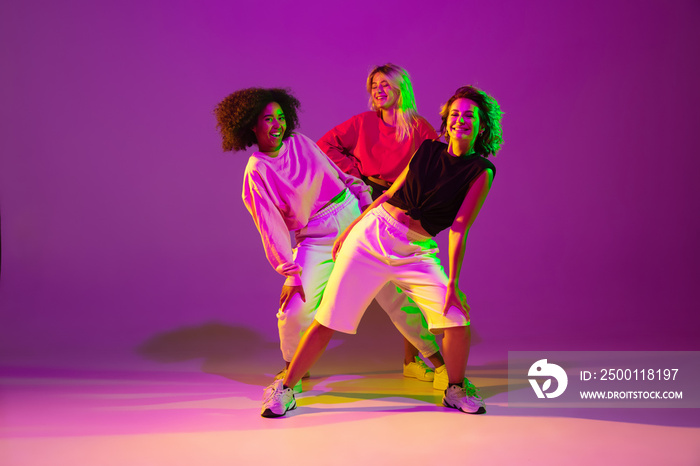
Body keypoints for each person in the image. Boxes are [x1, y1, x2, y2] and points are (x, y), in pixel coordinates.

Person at [261, 85, 503, 417]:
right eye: (455, 114)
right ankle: (285, 388)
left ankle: (455, 389)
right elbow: (388, 194)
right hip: (373, 236)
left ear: (481, 125)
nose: (460, 120)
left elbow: (460, 228)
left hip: (416, 252)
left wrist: (453, 284)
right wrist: (350, 229)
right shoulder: (428, 148)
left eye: (469, 116)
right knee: (328, 319)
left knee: (456, 320)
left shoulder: (481, 172)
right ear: (446, 121)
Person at [214, 88, 445, 390]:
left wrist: (364, 205)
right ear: (251, 126)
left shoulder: (301, 143)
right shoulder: (257, 171)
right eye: (268, 119)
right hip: (316, 237)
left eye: (281, 118)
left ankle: (437, 363)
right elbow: (270, 228)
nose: (277, 125)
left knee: (394, 296)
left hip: (353, 217)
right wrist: (290, 273)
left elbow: (341, 176)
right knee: (294, 309)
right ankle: (293, 371)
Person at [317, 64, 445, 386]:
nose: (378, 89)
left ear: (402, 87)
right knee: (391, 290)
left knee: (409, 286)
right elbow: (325, 145)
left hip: (404, 202)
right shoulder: (363, 123)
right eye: (374, 85)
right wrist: (356, 173)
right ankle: (432, 361)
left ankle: (410, 362)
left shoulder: (419, 127)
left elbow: (440, 161)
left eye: (385, 83)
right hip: (369, 201)